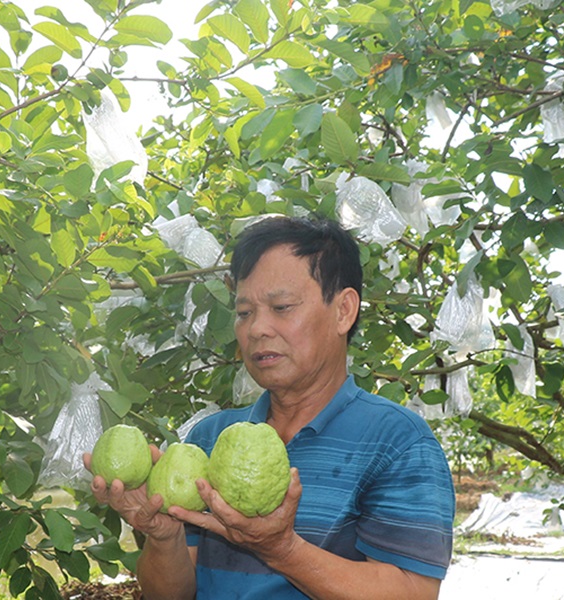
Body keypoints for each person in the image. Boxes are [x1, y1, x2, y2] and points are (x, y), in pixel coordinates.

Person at [85, 216, 455, 599]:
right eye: (245, 313)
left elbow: (413, 593)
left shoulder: (397, 442)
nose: (256, 329)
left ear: (344, 310)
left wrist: (283, 550)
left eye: (281, 306)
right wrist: (164, 538)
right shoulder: (208, 439)